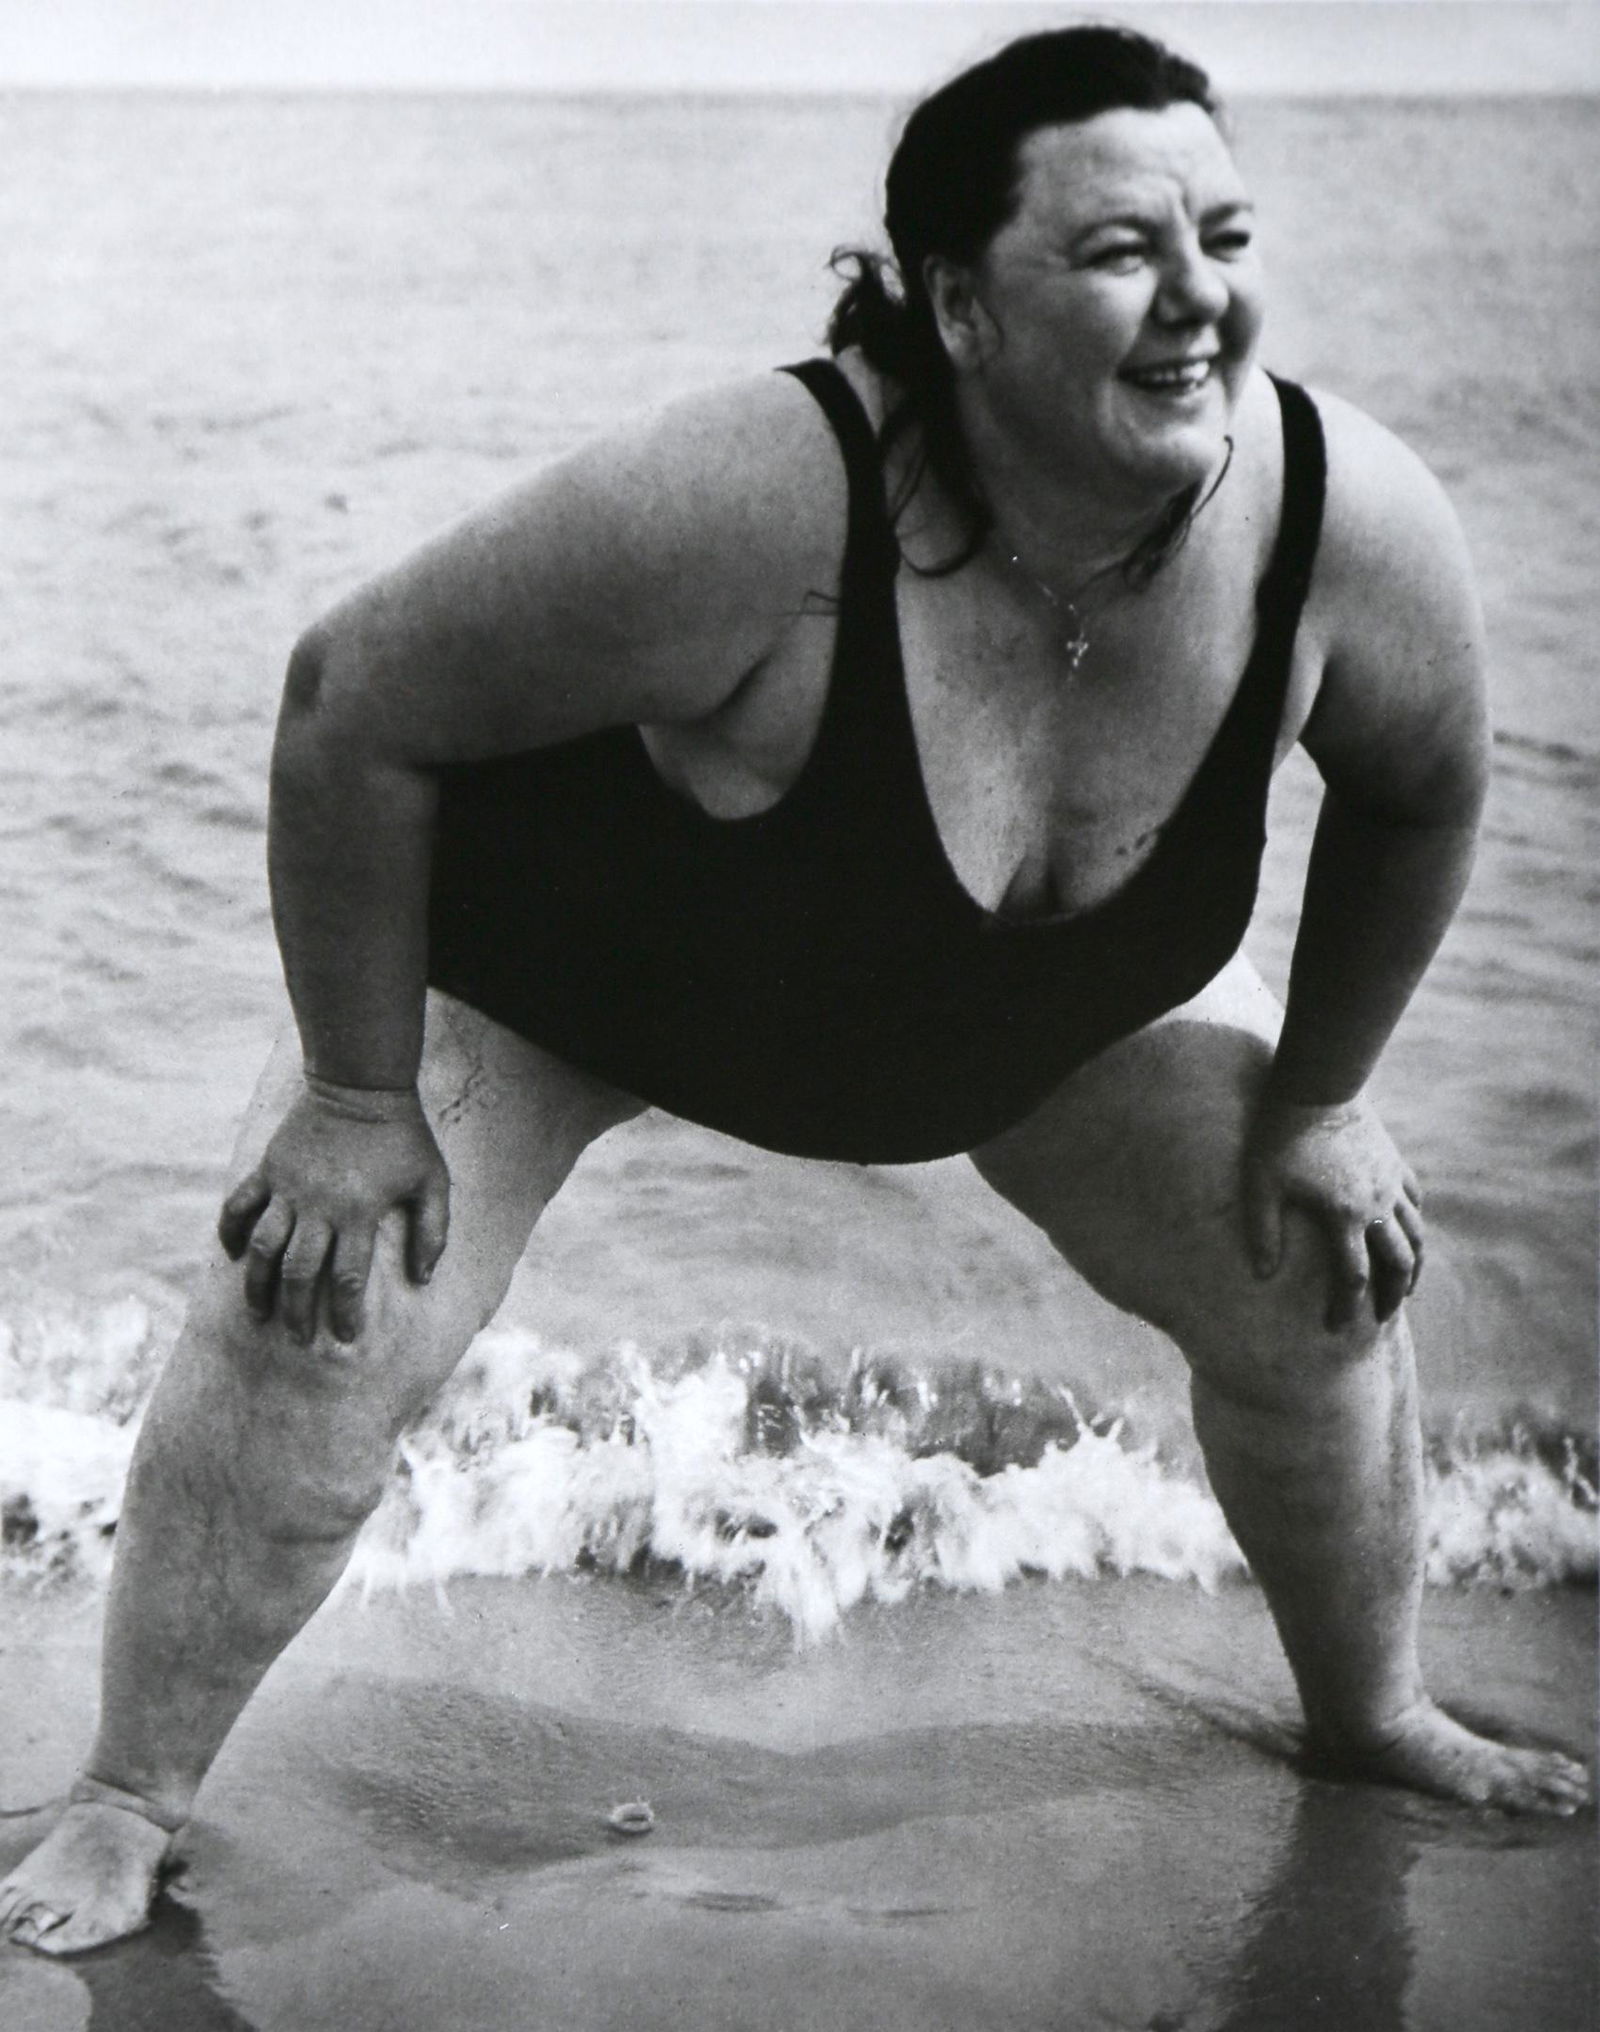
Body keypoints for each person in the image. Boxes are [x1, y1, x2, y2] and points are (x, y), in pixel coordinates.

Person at [2, 22, 1589, 1957]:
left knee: (1317, 1263)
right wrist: (351, 1102)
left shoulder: (1345, 527)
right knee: (322, 1297)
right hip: (576, 977)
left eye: (1226, 233)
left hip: (1027, 1015)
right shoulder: (766, 500)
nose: (1201, 300)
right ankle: (125, 1791)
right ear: (958, 304)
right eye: (1116, 252)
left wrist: (1329, 1094)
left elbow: (1427, 793)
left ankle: (1371, 1714)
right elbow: (351, 704)